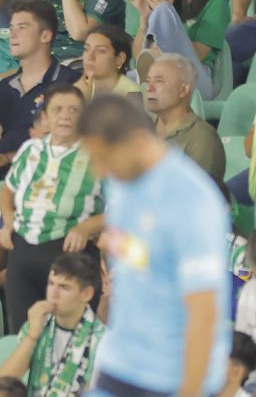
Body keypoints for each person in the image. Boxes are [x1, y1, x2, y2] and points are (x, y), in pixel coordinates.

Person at [80, 93, 230, 396]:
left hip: (172, 374)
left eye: (103, 158)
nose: (98, 170)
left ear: (137, 141)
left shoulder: (191, 199)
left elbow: (204, 311)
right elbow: (147, 259)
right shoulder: (121, 182)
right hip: (122, 360)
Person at [0, 83, 104, 331]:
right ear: (45, 117)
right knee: (23, 334)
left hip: (69, 249)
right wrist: (8, 219)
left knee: (69, 335)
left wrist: (87, 227)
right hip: (23, 250)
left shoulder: (98, 155)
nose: (65, 116)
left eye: (73, 110)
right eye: (57, 110)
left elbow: (123, 209)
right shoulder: (30, 149)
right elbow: (7, 190)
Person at [0, 2, 81, 176]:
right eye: (11, 27)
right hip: (1, 172)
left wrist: (8, 158)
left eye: (22, 27)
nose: (12, 34)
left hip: (43, 173)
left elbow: (63, 147)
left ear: (45, 36)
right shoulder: (4, 87)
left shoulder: (68, 84)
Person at [0, 251, 106, 396]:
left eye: (64, 287)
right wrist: (32, 336)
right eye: (51, 283)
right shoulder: (38, 324)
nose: (54, 293)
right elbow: (2, 383)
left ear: (87, 294)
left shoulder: (102, 340)